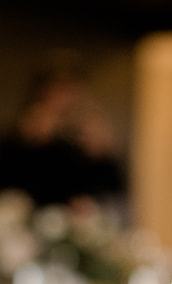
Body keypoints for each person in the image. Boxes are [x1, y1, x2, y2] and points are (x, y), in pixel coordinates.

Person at [0, 62, 124, 207]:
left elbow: (112, 187)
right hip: (29, 208)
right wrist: (24, 141)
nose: (64, 98)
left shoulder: (85, 130)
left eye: (70, 89)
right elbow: (11, 178)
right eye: (58, 89)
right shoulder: (25, 128)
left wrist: (104, 154)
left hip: (76, 211)